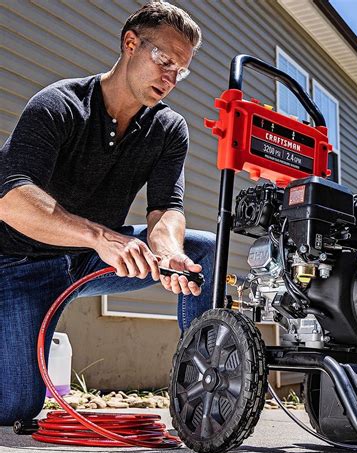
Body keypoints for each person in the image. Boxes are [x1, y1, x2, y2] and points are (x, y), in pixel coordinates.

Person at [0, 1, 215, 425]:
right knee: (16, 408)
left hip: (88, 260)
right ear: (130, 43)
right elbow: (11, 199)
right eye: (165, 61)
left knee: (203, 251)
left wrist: (169, 252)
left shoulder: (169, 129)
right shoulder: (59, 104)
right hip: (17, 263)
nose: (171, 79)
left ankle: (201, 385)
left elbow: (166, 210)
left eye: (181, 70)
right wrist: (102, 237)